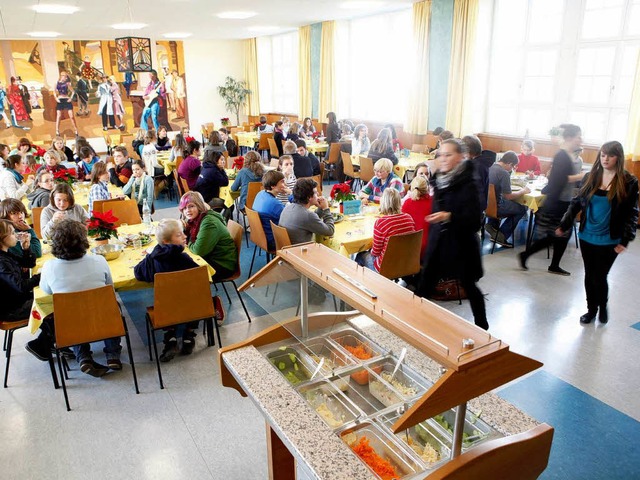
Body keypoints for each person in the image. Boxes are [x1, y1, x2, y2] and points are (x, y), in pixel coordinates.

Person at [557, 141, 638, 325]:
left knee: (600, 276)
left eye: (610, 155)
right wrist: (565, 224)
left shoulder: (629, 181)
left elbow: (632, 213)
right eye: (602, 155)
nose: (605, 159)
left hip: (610, 239)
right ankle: (591, 309)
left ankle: (602, 305)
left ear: (618, 157)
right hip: (587, 235)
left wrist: (625, 240)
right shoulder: (590, 177)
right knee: (589, 274)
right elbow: (576, 203)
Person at [417, 139, 488, 330]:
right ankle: (411, 321)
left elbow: (474, 221)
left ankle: (482, 326)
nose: (443, 159)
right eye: (441, 154)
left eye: (448, 155)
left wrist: (449, 216)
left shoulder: (469, 182)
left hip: (461, 244)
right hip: (439, 243)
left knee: (469, 286)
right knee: (423, 285)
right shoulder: (440, 178)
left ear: (460, 157)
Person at [37, 219, 122, 376]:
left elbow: (46, 290)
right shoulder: (99, 260)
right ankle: (113, 354)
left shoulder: (49, 266)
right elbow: (109, 287)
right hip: (104, 318)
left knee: (70, 313)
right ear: (84, 240)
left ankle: (83, 357)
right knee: (112, 306)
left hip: (72, 324)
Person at [134, 218, 225, 360]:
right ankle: (188, 336)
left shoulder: (153, 259)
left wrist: (150, 256)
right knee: (196, 298)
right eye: (179, 235)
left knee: (169, 302)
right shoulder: (184, 258)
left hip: (165, 310)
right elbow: (201, 279)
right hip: (192, 309)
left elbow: (138, 273)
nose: (185, 236)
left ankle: (170, 338)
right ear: (166, 241)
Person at [519, 124, 583, 276]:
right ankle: (530, 256)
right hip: (557, 203)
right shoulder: (562, 156)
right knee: (555, 235)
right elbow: (559, 180)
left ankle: (552, 264)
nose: (581, 140)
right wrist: (581, 176)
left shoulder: (568, 155)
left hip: (563, 201)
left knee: (560, 235)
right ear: (570, 138)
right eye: (578, 137)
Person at [179, 191, 238, 282]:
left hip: (222, 264)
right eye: (184, 208)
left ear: (199, 206)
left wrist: (188, 240)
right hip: (211, 256)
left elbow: (198, 251)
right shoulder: (197, 220)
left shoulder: (209, 222)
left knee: (181, 270)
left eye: (191, 206)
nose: (187, 211)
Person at [356, 189, 415, 272]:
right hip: (406, 262)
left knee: (360, 255)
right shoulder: (409, 218)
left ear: (384, 203)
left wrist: (371, 249)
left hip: (385, 267)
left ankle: (364, 283)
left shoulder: (381, 223)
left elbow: (375, 252)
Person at [486, 151, 529, 247]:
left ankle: (492, 226)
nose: (512, 169)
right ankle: (502, 235)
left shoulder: (490, 167)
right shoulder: (503, 173)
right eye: (513, 167)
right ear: (509, 163)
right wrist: (523, 191)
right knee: (523, 208)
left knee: (504, 201)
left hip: (485, 205)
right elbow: (508, 196)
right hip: (497, 206)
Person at [0, 219, 39, 322]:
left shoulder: (5, 253)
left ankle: (50, 334)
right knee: (52, 301)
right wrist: (42, 276)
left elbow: (29, 264)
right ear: (1, 237)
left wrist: (26, 248)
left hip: (19, 299)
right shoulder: (2, 262)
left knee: (49, 295)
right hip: (12, 309)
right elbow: (21, 286)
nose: (16, 235)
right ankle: (49, 336)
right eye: (13, 233)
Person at [279, 178, 335, 245]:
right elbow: (330, 231)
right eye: (315, 192)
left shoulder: (288, 207)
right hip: (301, 252)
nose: (318, 193)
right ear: (309, 197)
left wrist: (320, 209)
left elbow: (311, 220)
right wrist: (326, 209)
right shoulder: (307, 216)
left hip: (287, 250)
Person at [253, 170, 287, 251]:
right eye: (282, 182)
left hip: (259, 235)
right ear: (273, 186)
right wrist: (290, 194)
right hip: (273, 241)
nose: (285, 185)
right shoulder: (275, 204)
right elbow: (290, 219)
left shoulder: (260, 193)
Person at [461, 135, 496, 212]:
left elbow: (473, 191)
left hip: (474, 209)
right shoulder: (480, 162)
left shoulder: (477, 166)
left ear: (468, 151)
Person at [401, 175, 432, 258]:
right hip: (429, 249)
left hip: (410, 249)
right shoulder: (434, 202)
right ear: (428, 188)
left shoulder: (407, 203)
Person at [54, 71, 78, 136]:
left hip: (66, 99)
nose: (65, 77)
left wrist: (70, 98)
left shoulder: (67, 83)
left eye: (65, 76)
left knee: (71, 116)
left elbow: (73, 91)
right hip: (60, 100)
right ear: (61, 76)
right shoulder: (57, 83)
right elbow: (54, 92)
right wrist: (56, 98)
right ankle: (57, 130)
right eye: (63, 76)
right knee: (58, 116)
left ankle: (75, 129)